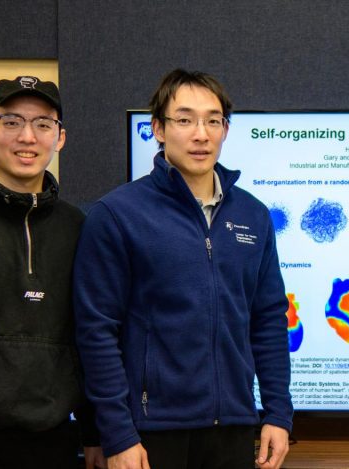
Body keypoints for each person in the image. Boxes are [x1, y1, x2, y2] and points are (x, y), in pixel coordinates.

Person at [73, 69, 293, 469]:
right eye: (185, 119)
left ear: (225, 129)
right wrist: (117, 433)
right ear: (158, 128)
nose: (201, 134)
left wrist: (277, 412)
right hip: (149, 433)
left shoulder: (254, 215)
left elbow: (269, 321)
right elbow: (96, 331)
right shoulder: (118, 215)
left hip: (234, 428)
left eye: (213, 120)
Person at [0, 76, 105, 469]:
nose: (27, 137)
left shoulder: (76, 227)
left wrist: (95, 432)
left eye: (43, 124)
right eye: (11, 121)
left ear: (60, 137)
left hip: (55, 442)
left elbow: (88, 338)